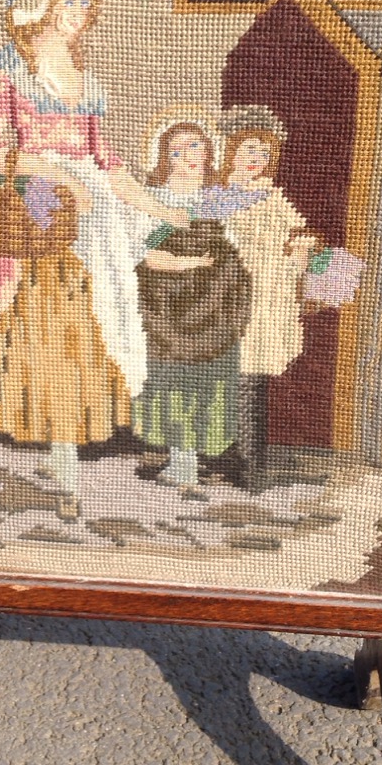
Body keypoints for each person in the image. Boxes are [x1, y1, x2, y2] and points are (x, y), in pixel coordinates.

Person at [0, 0, 187, 517]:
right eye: (69, 1)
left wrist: (158, 207)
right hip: (42, 221)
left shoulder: (89, 84)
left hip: (93, 219)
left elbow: (106, 162)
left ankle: (74, 456)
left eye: (87, 4)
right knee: (53, 336)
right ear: (43, 4)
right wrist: (55, 173)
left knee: (101, 327)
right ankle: (61, 464)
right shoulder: (6, 71)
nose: (80, 13)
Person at [134, 112, 252, 497]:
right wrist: (190, 263)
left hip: (217, 299)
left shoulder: (216, 196)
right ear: (166, 157)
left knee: (211, 380)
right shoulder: (157, 198)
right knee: (172, 379)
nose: (193, 155)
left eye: (198, 145)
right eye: (181, 149)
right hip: (169, 302)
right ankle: (180, 458)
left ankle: (199, 457)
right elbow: (148, 254)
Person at [215, 106, 319, 489]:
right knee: (230, 379)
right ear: (230, 154)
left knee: (252, 381)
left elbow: (288, 251)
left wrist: (301, 256)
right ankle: (232, 455)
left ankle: (251, 461)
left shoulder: (273, 199)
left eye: (262, 154)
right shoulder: (217, 198)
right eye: (247, 151)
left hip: (268, 303)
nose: (254, 161)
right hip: (229, 299)